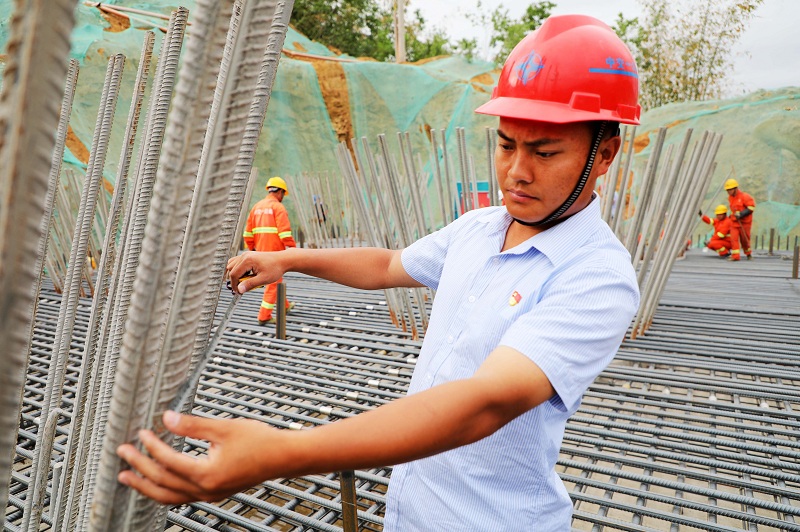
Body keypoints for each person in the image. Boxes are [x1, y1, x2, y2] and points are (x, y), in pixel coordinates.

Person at [116, 14, 641, 531]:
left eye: (545, 152)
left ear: (605, 154)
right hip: (412, 509)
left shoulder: (596, 276)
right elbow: (388, 264)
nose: (516, 171)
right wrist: (288, 260)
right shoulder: (480, 227)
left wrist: (285, 452)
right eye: (506, 144)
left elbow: (487, 402)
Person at [242, 176, 296, 324]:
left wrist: (252, 248)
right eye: (283, 194)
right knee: (273, 281)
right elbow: (284, 233)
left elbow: (247, 233)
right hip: (275, 254)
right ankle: (264, 316)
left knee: (277, 280)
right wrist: (293, 248)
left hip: (261, 252)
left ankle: (284, 305)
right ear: (280, 192)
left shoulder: (256, 207)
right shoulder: (278, 207)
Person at [724, 178, 755, 260]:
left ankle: (748, 253)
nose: (728, 192)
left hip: (745, 222)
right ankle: (735, 256)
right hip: (734, 221)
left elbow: (751, 208)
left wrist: (741, 214)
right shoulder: (730, 198)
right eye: (727, 190)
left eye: (730, 190)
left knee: (744, 239)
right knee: (733, 238)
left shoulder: (745, 196)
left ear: (735, 188)